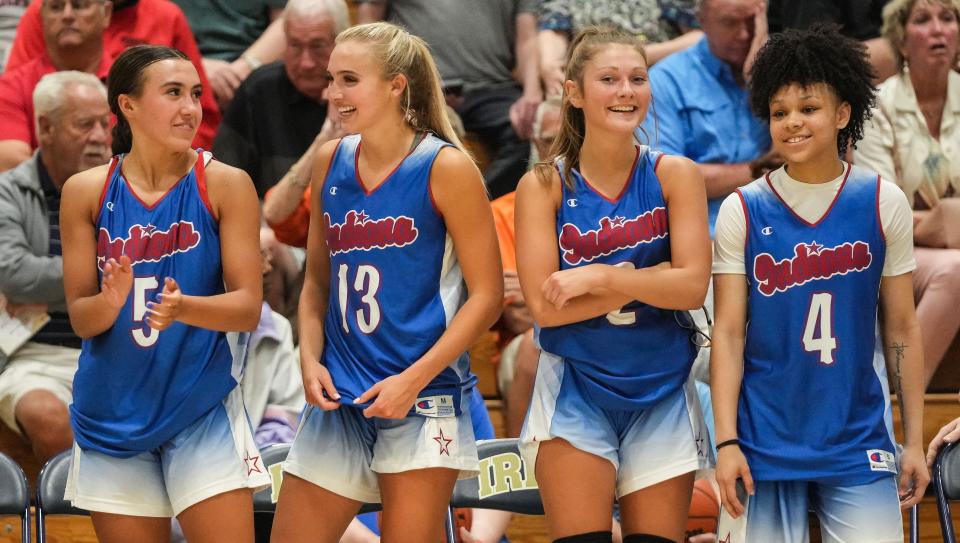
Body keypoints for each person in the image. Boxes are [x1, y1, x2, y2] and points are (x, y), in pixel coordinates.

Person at [269, 22, 502, 543]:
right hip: (342, 392)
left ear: (397, 85)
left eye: (349, 79)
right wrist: (308, 359)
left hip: (423, 395)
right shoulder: (330, 161)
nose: (334, 93)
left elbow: (486, 298)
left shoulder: (446, 167)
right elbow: (316, 284)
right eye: (332, 79)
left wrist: (412, 379)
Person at [710, 25, 929, 541]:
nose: (792, 123)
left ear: (843, 114)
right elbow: (728, 334)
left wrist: (913, 440)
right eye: (780, 112)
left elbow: (901, 329)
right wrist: (725, 443)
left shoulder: (883, 201)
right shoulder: (742, 209)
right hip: (762, 442)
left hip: (857, 441)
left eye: (808, 108)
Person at [59, 45, 267, 542]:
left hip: (199, 408)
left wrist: (184, 308)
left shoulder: (225, 184)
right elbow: (81, 319)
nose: (190, 108)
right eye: (172, 93)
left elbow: (246, 309)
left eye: (195, 94)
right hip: (112, 412)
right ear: (127, 106)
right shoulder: (85, 191)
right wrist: (109, 302)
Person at [515, 26, 713, 543]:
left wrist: (602, 277)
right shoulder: (542, 184)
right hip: (575, 388)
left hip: (663, 387)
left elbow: (694, 287)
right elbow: (546, 308)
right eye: (609, 79)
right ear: (575, 93)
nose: (627, 91)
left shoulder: (677, 174)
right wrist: (653, 280)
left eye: (638, 79)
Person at [0, 71, 110, 463]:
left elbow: (152, 269)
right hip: (35, 355)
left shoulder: (126, 189)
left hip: (116, 350)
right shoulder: (8, 190)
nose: (99, 136)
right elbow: (13, 273)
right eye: (84, 125)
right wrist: (107, 278)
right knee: (47, 417)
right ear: (44, 128)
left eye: (104, 123)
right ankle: (74, 522)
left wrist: (49, 288)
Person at [855, 0, 960, 390]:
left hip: (939, 241)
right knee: (954, 270)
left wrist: (946, 221)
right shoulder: (875, 107)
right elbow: (881, 211)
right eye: (923, 20)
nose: (938, 30)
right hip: (894, 250)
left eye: (948, 19)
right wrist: (942, 223)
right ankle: (903, 403)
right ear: (901, 41)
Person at [355, 0, 542, 199]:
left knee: (527, 130)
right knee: (407, 135)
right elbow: (370, 18)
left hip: (493, 87)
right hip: (420, 85)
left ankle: (475, 206)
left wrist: (532, 92)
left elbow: (528, 36)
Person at [4, 0, 222, 150]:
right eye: (57, 6)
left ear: (105, 13)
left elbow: (200, 120)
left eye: (80, 5)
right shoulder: (44, 11)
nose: (67, 15)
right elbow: (15, 97)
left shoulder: (165, 16)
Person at [214, 0, 349, 198]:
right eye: (295, 46)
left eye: (317, 46)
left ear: (342, 43)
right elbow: (220, 187)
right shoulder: (258, 90)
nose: (306, 63)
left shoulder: (364, 93)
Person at [537, 0, 703, 97]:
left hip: (654, 77)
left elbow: (699, 36)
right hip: (590, 75)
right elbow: (553, 29)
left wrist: (637, 55)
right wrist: (549, 63)